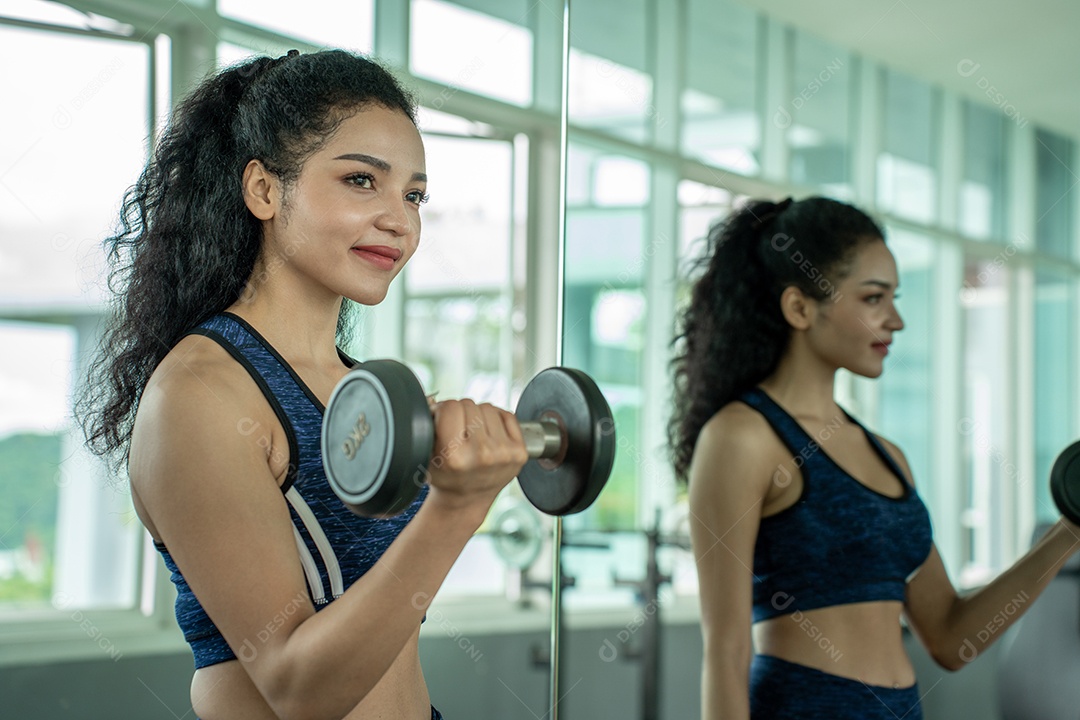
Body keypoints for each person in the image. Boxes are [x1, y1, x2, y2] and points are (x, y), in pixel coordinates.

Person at [76, 49, 528, 720]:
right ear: (263, 190)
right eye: (359, 181)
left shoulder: (358, 388)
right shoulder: (199, 394)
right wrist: (457, 508)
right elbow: (297, 688)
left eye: (413, 195)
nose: (401, 222)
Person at [668, 196, 1080, 719]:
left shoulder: (888, 457)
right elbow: (726, 654)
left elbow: (952, 638)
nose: (896, 320)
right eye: (873, 299)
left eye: (894, 298)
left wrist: (1070, 531)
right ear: (799, 308)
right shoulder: (741, 438)